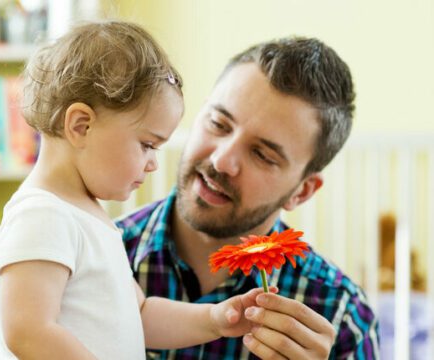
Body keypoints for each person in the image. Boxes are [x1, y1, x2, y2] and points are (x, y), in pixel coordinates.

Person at [0, 21, 280, 360]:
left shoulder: (88, 216)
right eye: (147, 144)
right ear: (81, 126)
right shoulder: (42, 214)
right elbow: (27, 331)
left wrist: (214, 319)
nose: (153, 162)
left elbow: (140, 315)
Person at [116, 37, 380, 359]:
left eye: (262, 154)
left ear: (303, 191)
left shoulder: (342, 316)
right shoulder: (97, 257)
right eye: (218, 123)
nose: (221, 161)